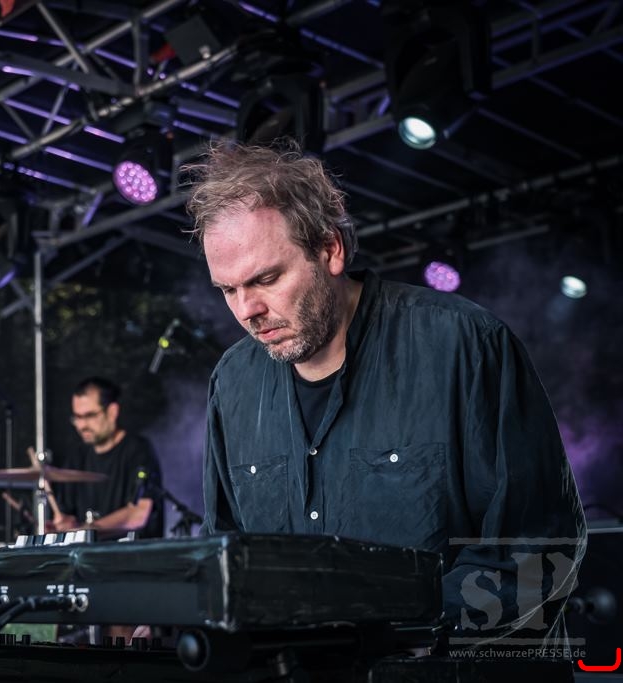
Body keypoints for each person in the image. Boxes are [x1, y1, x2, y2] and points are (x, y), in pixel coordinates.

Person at [185, 140, 586, 648]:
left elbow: (536, 553)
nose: (247, 311)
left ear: (330, 249)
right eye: (228, 290)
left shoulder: (464, 345)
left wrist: (385, 635)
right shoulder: (232, 383)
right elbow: (225, 552)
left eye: (266, 278)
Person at [50, 377, 164, 539]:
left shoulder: (138, 451)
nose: (82, 425)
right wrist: (60, 526)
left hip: (130, 553)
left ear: (112, 412)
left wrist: (86, 530)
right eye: (77, 417)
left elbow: (138, 515)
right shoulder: (76, 457)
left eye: (90, 415)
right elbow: (67, 516)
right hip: (86, 554)